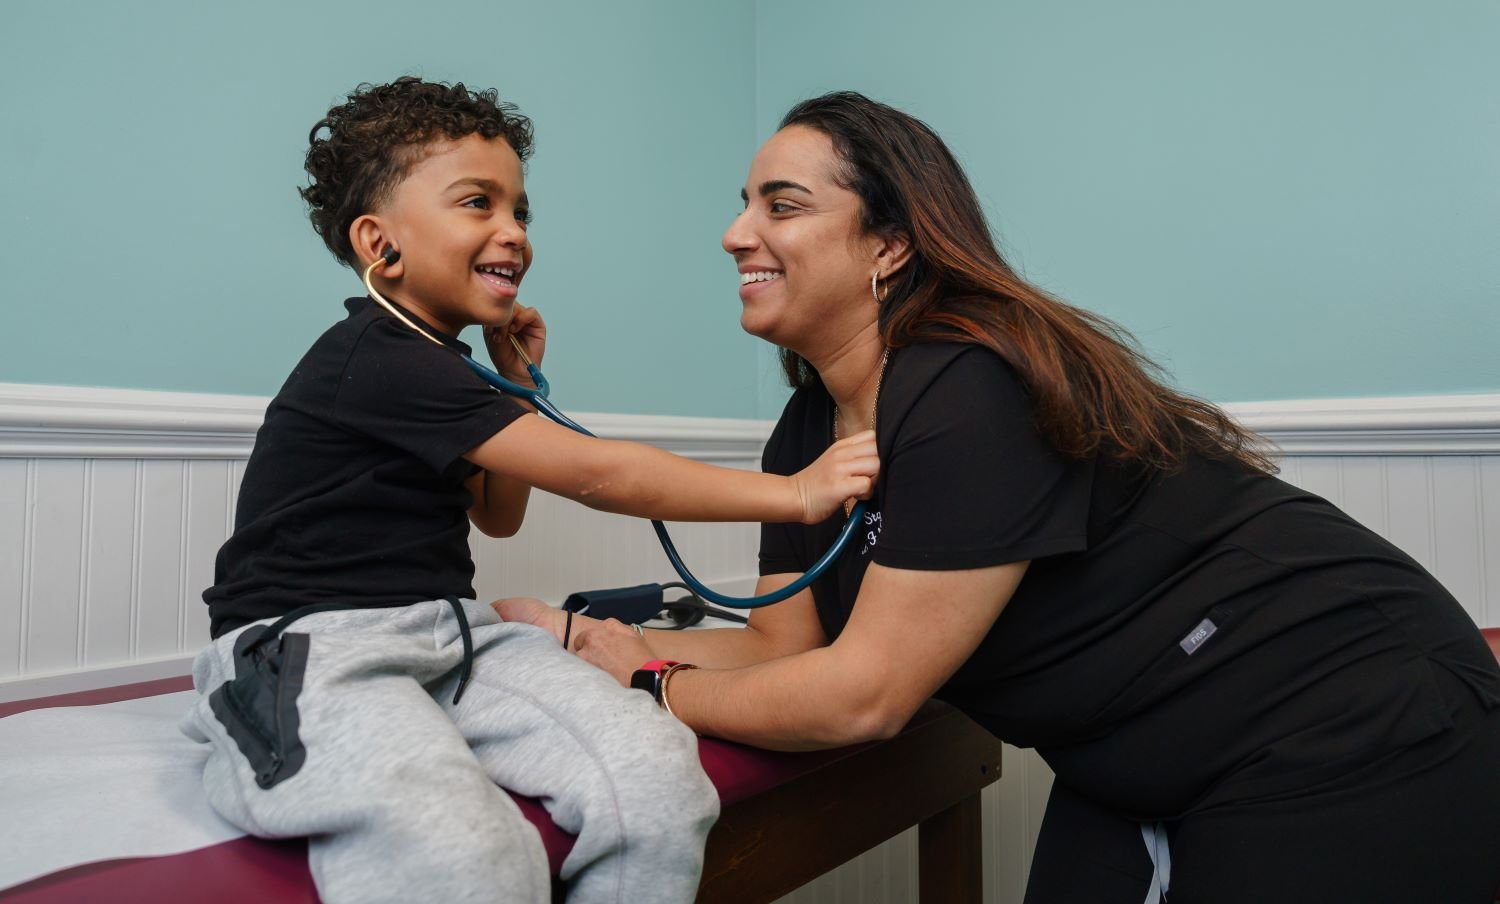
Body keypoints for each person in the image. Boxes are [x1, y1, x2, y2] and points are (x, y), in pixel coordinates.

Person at [500, 91, 1500, 903]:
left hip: (1347, 708)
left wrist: (652, 684)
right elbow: (784, 650)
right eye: (743, 202)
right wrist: (594, 646)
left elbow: (865, 694)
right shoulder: (805, 434)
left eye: (781, 204)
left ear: (888, 244)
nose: (735, 233)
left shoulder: (967, 385)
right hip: (1146, 756)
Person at [179, 78, 879, 904]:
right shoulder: (368, 355)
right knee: (463, 848)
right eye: (478, 203)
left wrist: (511, 383)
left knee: (656, 778)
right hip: (309, 646)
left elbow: (496, 515)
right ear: (380, 244)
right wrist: (797, 495)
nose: (512, 231)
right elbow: (600, 474)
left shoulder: (448, 369)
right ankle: (251, 727)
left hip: (443, 636)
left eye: (520, 211)